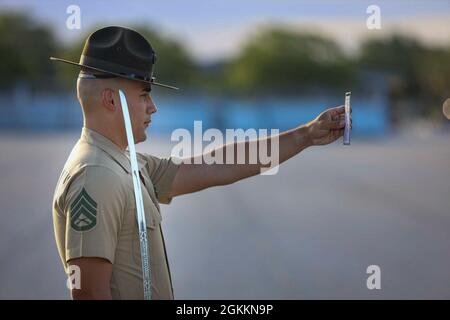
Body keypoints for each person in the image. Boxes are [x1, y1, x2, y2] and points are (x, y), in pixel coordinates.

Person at [51, 25, 352, 300]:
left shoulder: (121, 162)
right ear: (111, 100)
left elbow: (216, 164)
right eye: (144, 95)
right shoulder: (97, 175)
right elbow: (89, 293)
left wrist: (307, 134)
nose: (152, 107)